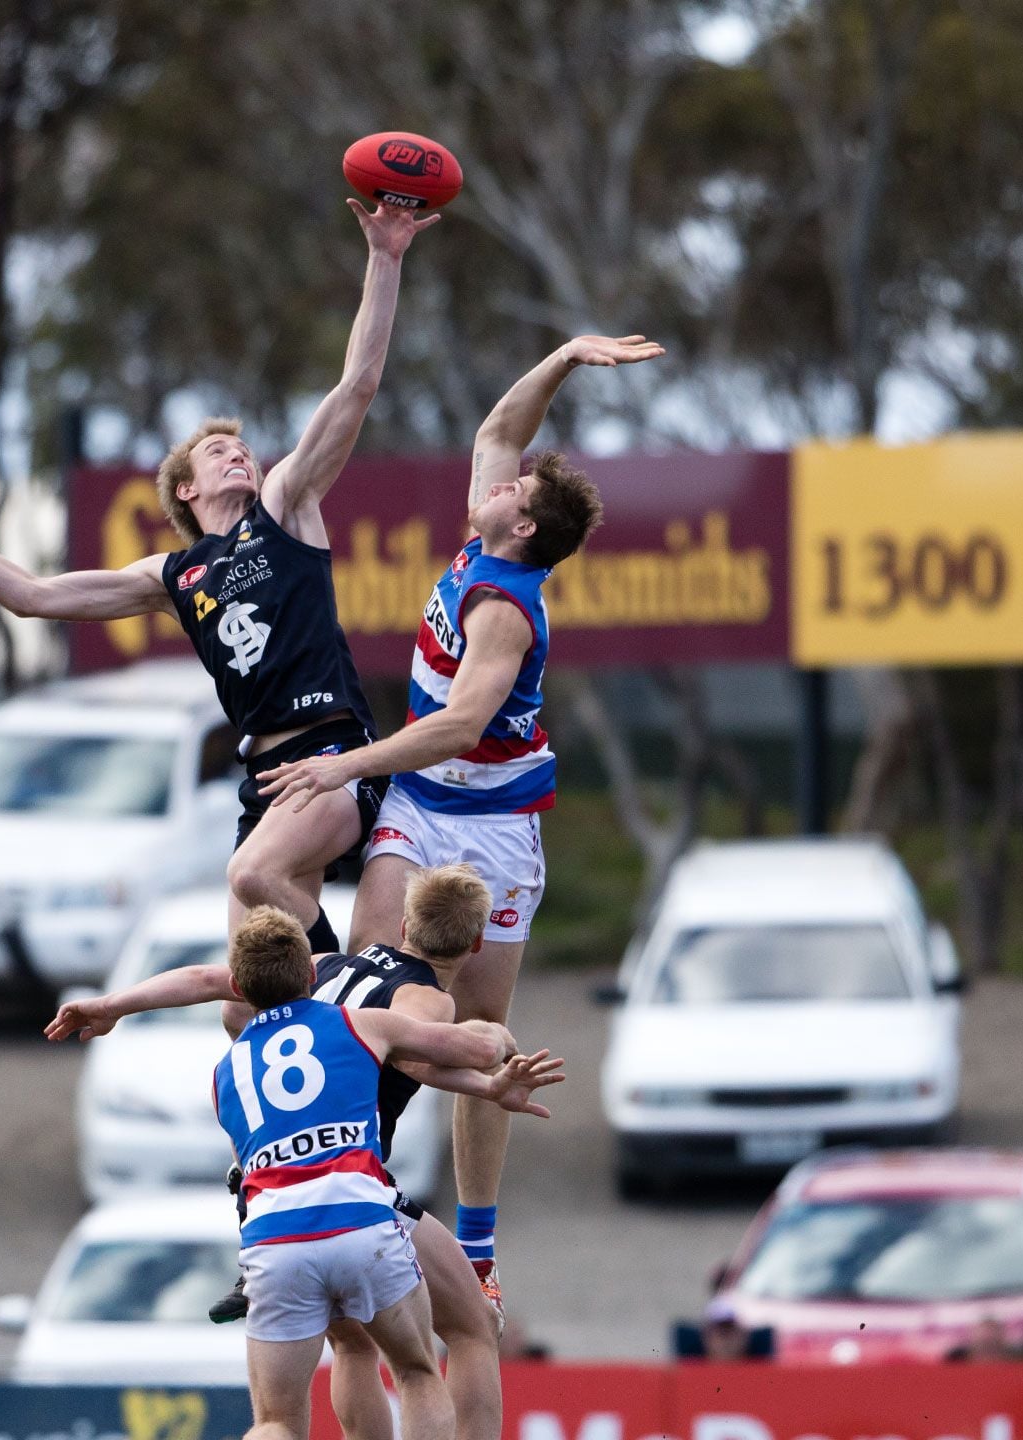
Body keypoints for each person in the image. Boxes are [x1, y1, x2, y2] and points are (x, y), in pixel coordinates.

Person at [0, 200, 441, 957]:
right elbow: (30, 597)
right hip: (262, 777)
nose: (239, 454)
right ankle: (333, 992)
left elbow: (356, 386)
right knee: (244, 996)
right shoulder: (172, 574)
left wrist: (385, 259)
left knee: (254, 875)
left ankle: (350, 987)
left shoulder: (287, 507)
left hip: (331, 754)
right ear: (184, 490)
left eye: (243, 448)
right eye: (217, 451)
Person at [259, 332, 663, 1306]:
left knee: (480, 1029)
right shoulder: (489, 534)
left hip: (492, 830)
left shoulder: (504, 608)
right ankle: (342, 1179)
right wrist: (563, 359)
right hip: (421, 809)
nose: (498, 482)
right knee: (367, 987)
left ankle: (477, 1245)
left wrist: (342, 766)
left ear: (521, 527)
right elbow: (497, 429)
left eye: (515, 491)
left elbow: (459, 726)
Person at [48, 864, 561, 1440]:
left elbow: (201, 978)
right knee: (465, 1331)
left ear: (403, 924)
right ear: (475, 943)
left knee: (328, 1366)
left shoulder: (290, 1005)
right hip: (360, 1197)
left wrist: (113, 1004)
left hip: (270, 1221)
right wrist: (496, 1047)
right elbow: (424, 1056)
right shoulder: (397, 1011)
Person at [207, 906, 542, 1440]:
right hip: (361, 1213)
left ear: (238, 987)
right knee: (422, 1367)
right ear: (311, 971)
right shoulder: (356, 1020)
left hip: (275, 1238)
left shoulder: (226, 1074)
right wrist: (498, 1047)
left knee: (278, 1418)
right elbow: (467, 1048)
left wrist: (111, 1005)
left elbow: (243, 1168)